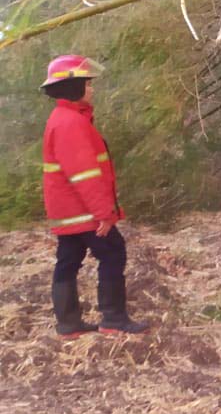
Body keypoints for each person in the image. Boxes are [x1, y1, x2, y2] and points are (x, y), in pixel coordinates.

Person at [41, 55, 148, 337]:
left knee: (68, 260)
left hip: (70, 212)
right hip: (85, 212)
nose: (92, 89)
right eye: (87, 84)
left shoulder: (64, 119)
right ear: (73, 87)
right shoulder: (70, 123)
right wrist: (104, 214)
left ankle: (68, 324)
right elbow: (85, 175)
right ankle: (113, 319)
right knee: (113, 253)